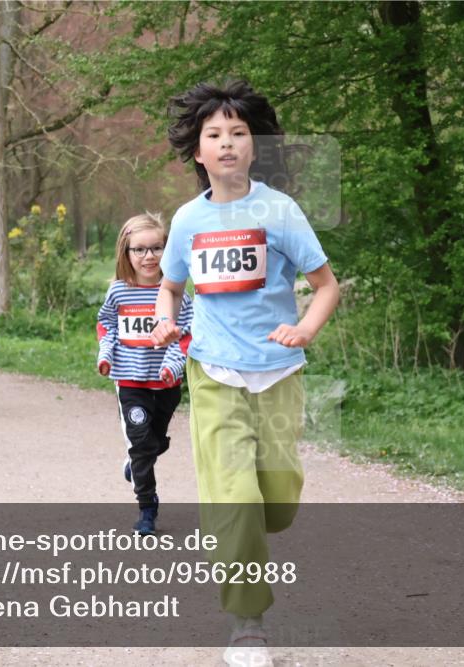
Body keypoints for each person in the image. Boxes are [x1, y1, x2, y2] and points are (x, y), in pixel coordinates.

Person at [150, 80, 340, 666]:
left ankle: (256, 530)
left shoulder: (279, 211)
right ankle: (247, 625)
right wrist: (164, 321)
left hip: (279, 374)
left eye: (238, 133)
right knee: (235, 499)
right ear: (198, 151)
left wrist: (305, 330)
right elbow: (170, 286)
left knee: (275, 504)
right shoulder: (186, 220)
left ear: (255, 146)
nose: (227, 143)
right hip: (214, 374)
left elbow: (325, 286)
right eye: (215, 135)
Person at [97, 212, 193, 536]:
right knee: (141, 445)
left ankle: (139, 459)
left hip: (166, 383)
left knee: (154, 443)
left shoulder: (177, 293)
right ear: (126, 253)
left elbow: (186, 335)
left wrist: (171, 366)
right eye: (139, 249)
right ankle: (147, 509)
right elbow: (106, 325)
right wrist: (105, 355)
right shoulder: (119, 293)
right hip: (131, 381)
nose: (148, 256)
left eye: (156, 248)